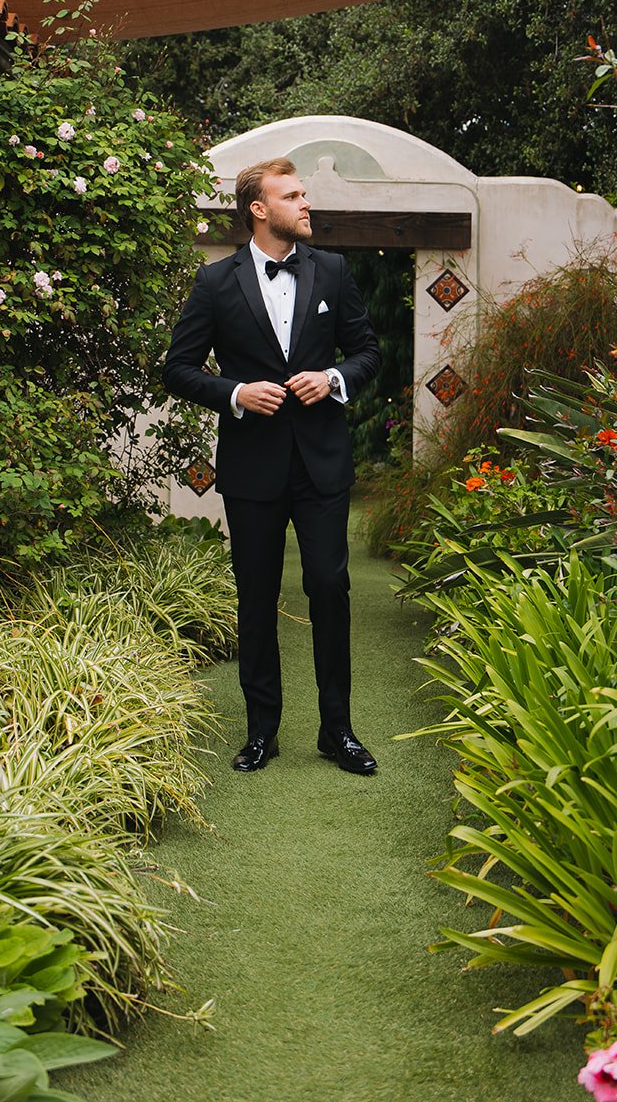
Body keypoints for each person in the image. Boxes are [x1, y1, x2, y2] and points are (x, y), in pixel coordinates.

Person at [162, 158, 381, 775]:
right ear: (259, 209)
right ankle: (262, 732)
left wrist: (333, 377)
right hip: (251, 467)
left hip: (322, 466)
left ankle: (337, 732)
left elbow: (368, 351)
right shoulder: (214, 283)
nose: (305, 203)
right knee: (254, 597)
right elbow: (177, 368)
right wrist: (235, 394)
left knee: (330, 589)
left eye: (305, 193)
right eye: (293, 195)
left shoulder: (334, 272)